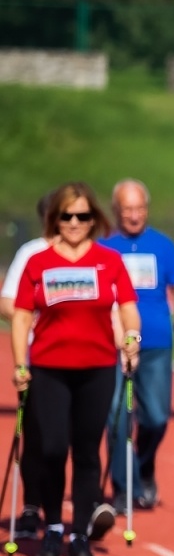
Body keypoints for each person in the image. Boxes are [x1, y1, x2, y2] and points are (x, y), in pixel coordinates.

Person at [10, 183, 138, 556]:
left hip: (97, 368)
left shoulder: (109, 260)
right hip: (49, 369)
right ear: (55, 219)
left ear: (93, 219)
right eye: (67, 216)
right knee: (51, 448)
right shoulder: (39, 262)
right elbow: (20, 317)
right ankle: (52, 526)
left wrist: (131, 336)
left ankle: (79, 533)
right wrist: (20, 363)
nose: (75, 223)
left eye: (82, 216)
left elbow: (128, 305)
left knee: (86, 451)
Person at [101, 179, 174, 509]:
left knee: (155, 417)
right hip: (114, 343)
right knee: (117, 416)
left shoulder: (163, 245)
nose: (134, 215)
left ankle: (142, 469)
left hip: (155, 343)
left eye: (140, 208)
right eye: (127, 209)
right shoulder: (104, 247)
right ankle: (124, 488)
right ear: (116, 211)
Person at [2, 195, 52, 538]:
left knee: (81, 438)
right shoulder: (32, 253)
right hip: (40, 354)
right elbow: (8, 303)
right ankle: (33, 505)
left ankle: (81, 513)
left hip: (88, 360)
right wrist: (35, 318)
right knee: (37, 435)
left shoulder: (94, 255)